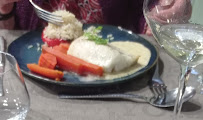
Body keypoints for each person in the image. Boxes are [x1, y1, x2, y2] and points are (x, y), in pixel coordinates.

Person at [0, 0, 192, 32]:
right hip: (31, 75)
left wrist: (165, 10)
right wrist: (3, 10)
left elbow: (148, 7)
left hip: (112, 73)